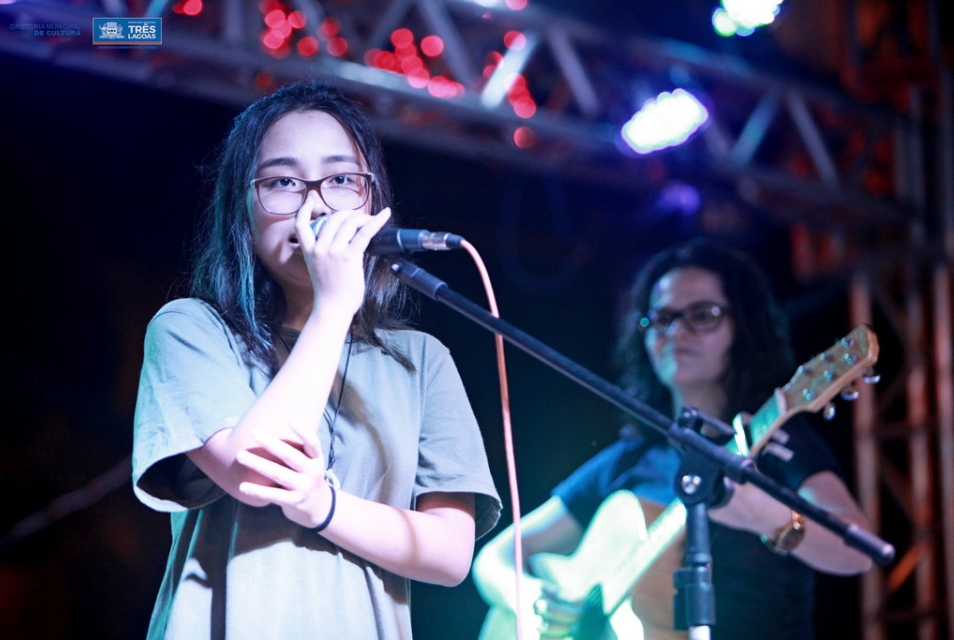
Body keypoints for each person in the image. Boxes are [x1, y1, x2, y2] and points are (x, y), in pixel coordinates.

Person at [131, 81, 501, 639]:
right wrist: (333, 308)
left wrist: (323, 505)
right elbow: (256, 470)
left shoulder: (419, 361)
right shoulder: (190, 329)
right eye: (282, 182)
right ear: (244, 211)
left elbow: (450, 555)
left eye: (341, 181)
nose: (315, 205)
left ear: (372, 204)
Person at [472, 238, 873, 640]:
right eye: (661, 318)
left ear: (743, 327)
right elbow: (493, 557)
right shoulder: (629, 461)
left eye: (702, 315)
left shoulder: (778, 441)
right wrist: (530, 599)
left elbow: (859, 550)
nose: (677, 331)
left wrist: (763, 514)